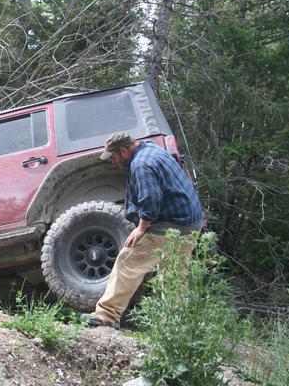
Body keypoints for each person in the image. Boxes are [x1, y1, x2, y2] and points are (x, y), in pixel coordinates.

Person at [81, 132, 205, 329]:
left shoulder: (141, 165)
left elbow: (151, 200)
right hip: (190, 225)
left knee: (128, 262)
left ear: (124, 150)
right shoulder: (152, 149)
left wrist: (141, 228)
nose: (112, 161)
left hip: (169, 224)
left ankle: (107, 315)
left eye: (113, 156)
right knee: (173, 276)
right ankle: (176, 327)